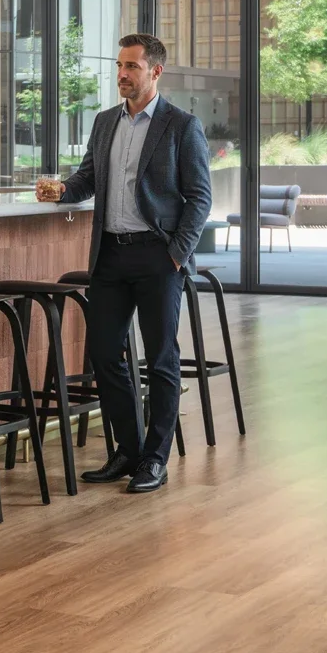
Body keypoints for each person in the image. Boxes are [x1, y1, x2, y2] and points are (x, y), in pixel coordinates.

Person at [58, 32, 213, 494]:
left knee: (161, 358)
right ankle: (128, 449)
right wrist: (62, 190)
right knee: (105, 355)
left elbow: (199, 198)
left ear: (155, 72)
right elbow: (89, 176)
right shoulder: (105, 122)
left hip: (156, 256)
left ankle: (155, 459)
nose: (122, 75)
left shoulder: (181, 126)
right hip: (109, 254)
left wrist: (175, 254)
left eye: (132, 67)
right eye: (120, 66)